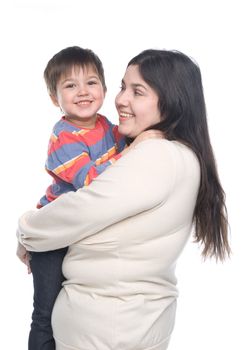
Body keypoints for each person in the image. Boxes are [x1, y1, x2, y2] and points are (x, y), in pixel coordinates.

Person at [17, 49, 230, 350]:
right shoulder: (168, 151)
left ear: (171, 101)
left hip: (107, 330)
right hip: (122, 324)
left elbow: (81, 209)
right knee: (41, 314)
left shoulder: (155, 154)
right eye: (122, 87)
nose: (120, 99)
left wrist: (26, 228)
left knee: (42, 316)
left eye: (137, 91)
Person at [17, 45, 126, 350]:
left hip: (79, 228)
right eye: (70, 85)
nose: (83, 92)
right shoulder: (63, 137)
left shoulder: (106, 125)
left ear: (104, 89)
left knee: (75, 313)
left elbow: (132, 143)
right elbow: (91, 181)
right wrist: (130, 152)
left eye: (91, 83)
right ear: (55, 98)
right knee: (46, 314)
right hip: (52, 233)